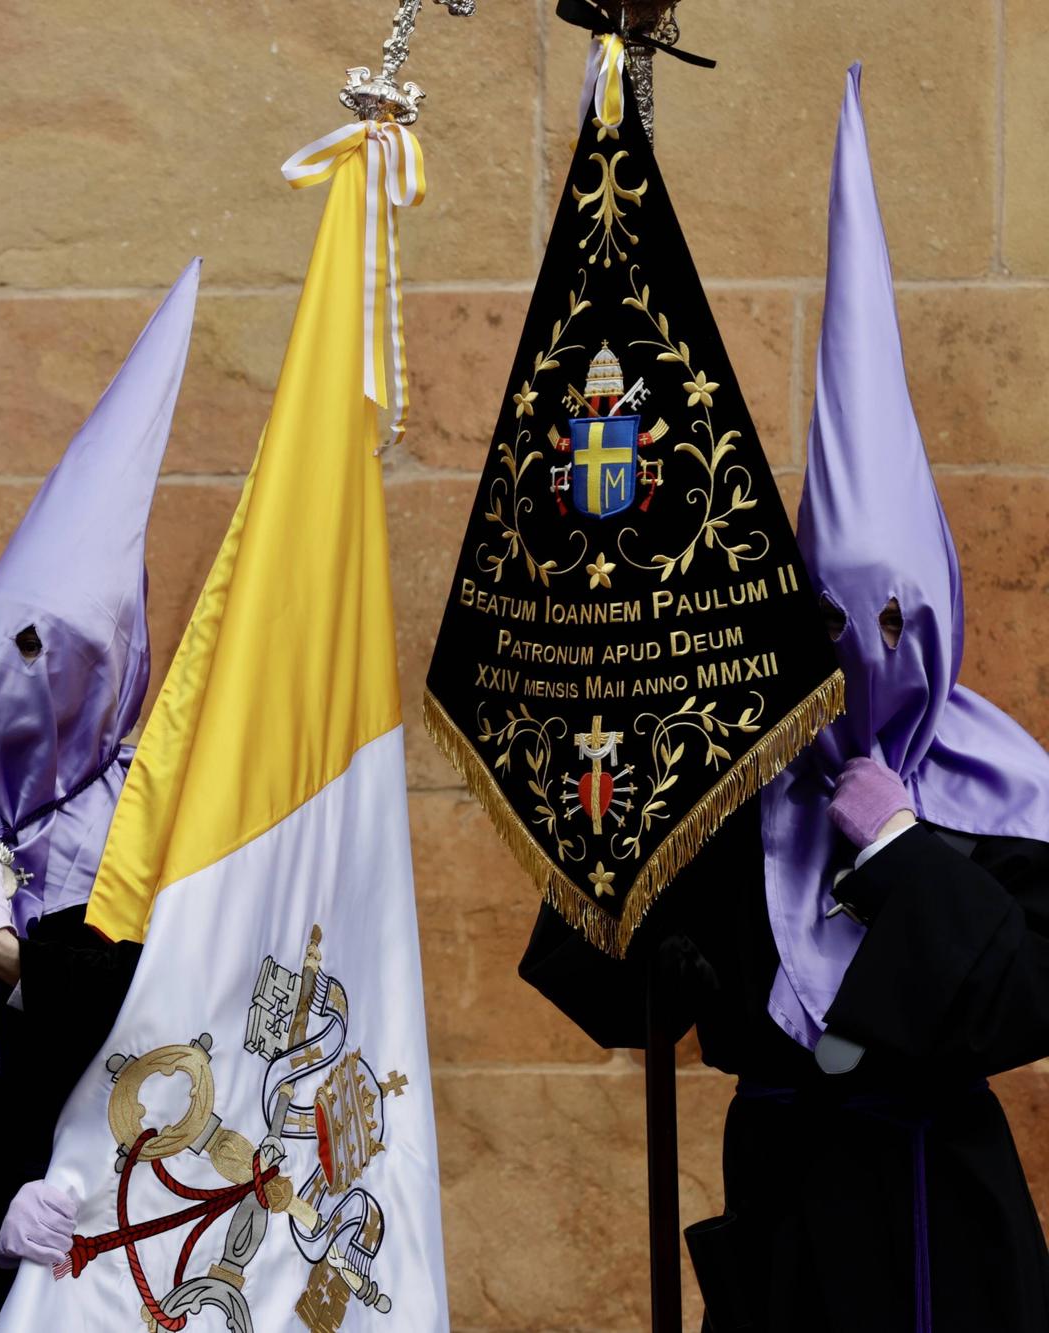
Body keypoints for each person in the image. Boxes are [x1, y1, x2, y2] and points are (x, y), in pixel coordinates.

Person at [519, 68, 1049, 1332]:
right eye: (832, 622)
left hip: (940, 1230)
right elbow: (611, 999)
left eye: (891, 622)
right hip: (784, 1223)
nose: (863, 654)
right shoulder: (745, 778)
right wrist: (643, 794)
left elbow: (1016, 1004)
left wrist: (903, 847)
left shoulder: (1001, 783)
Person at [0, 260, 199, 1330]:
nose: (2, 677)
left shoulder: (171, 839)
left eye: (37, 649)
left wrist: (5, 958)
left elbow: (172, 1028)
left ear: (111, 662)